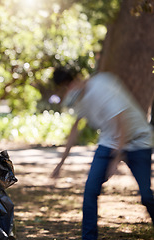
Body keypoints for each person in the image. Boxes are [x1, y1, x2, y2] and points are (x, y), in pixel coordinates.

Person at [50, 68, 154, 240]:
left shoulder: (102, 85)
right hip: (109, 142)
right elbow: (74, 131)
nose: (68, 91)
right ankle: (89, 237)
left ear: (77, 79)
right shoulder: (80, 99)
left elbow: (122, 124)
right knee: (90, 189)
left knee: (146, 196)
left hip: (137, 141)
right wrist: (60, 164)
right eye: (64, 88)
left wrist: (116, 159)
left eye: (68, 85)